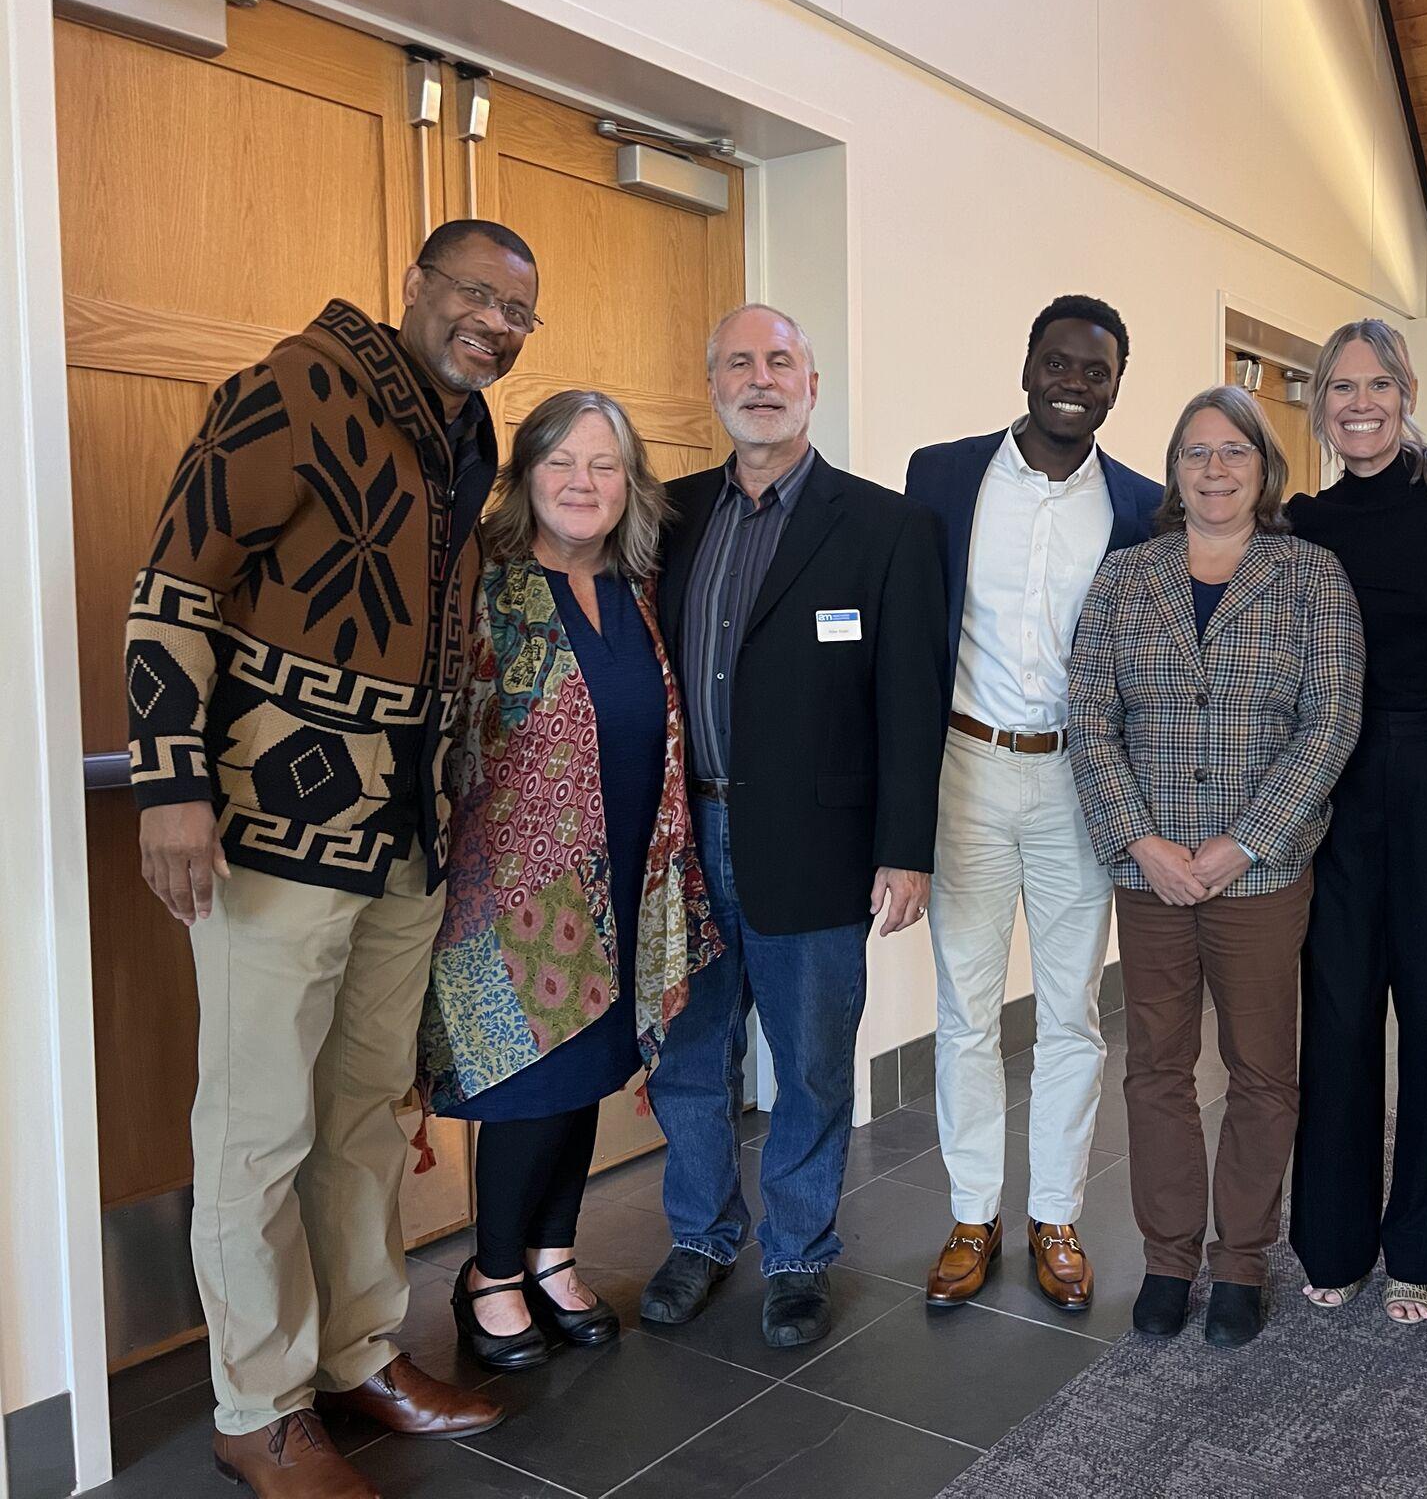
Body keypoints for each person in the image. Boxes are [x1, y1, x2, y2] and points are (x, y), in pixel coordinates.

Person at [125, 219, 539, 1497]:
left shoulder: (462, 434)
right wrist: (170, 788)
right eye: (475, 293)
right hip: (270, 833)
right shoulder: (297, 387)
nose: (496, 323)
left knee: (363, 1115)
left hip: (402, 839)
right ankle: (256, 1405)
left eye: (520, 310)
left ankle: (358, 1349)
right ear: (413, 285)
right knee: (256, 1132)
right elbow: (171, 589)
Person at [641, 304, 949, 1349]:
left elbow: (911, 700)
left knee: (812, 1063)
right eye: (738, 362)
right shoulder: (665, 519)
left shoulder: (886, 526)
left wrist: (904, 847)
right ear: (714, 384)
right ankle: (700, 1236)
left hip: (815, 847)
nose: (759, 379)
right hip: (682, 845)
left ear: (812, 386)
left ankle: (799, 1253)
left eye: (779, 362)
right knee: (688, 1056)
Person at [418, 390, 722, 1370]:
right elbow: (445, 732)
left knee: (587, 1071)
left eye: (602, 465)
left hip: (625, 872)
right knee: (527, 1083)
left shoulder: (637, 587)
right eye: (561, 463)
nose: (581, 484)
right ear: (526, 476)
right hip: (510, 890)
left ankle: (554, 1256)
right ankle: (491, 1274)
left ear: (628, 483)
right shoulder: (487, 585)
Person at [1068, 384, 1362, 1349]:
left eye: (1234, 450)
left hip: (1260, 874)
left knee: (1261, 1070)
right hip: (1149, 871)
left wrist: (1244, 841)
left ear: (1264, 467)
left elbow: (1329, 726)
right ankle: (1166, 1255)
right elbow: (1092, 720)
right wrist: (1141, 841)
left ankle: (1239, 1261)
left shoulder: (1312, 577)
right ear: (1174, 471)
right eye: (1196, 452)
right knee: (1154, 1067)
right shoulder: (1125, 579)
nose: (1216, 469)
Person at [903, 296, 1163, 1312]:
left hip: (1076, 780)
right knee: (965, 1008)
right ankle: (973, 1213)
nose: (1071, 381)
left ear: (1112, 388)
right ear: (1024, 368)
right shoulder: (941, 477)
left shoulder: (1138, 505)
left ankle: (1054, 1214)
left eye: (1093, 371)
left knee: (1071, 1014)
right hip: (963, 768)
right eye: (1055, 362)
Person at [1285, 320, 1427, 1326]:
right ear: (1317, 404)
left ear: (1408, 389)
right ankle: (1332, 1237)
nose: (1358, 403)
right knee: (1332, 1022)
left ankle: (1423, 1247)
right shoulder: (1300, 524)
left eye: (1377, 384)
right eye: (1339, 388)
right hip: (1333, 788)